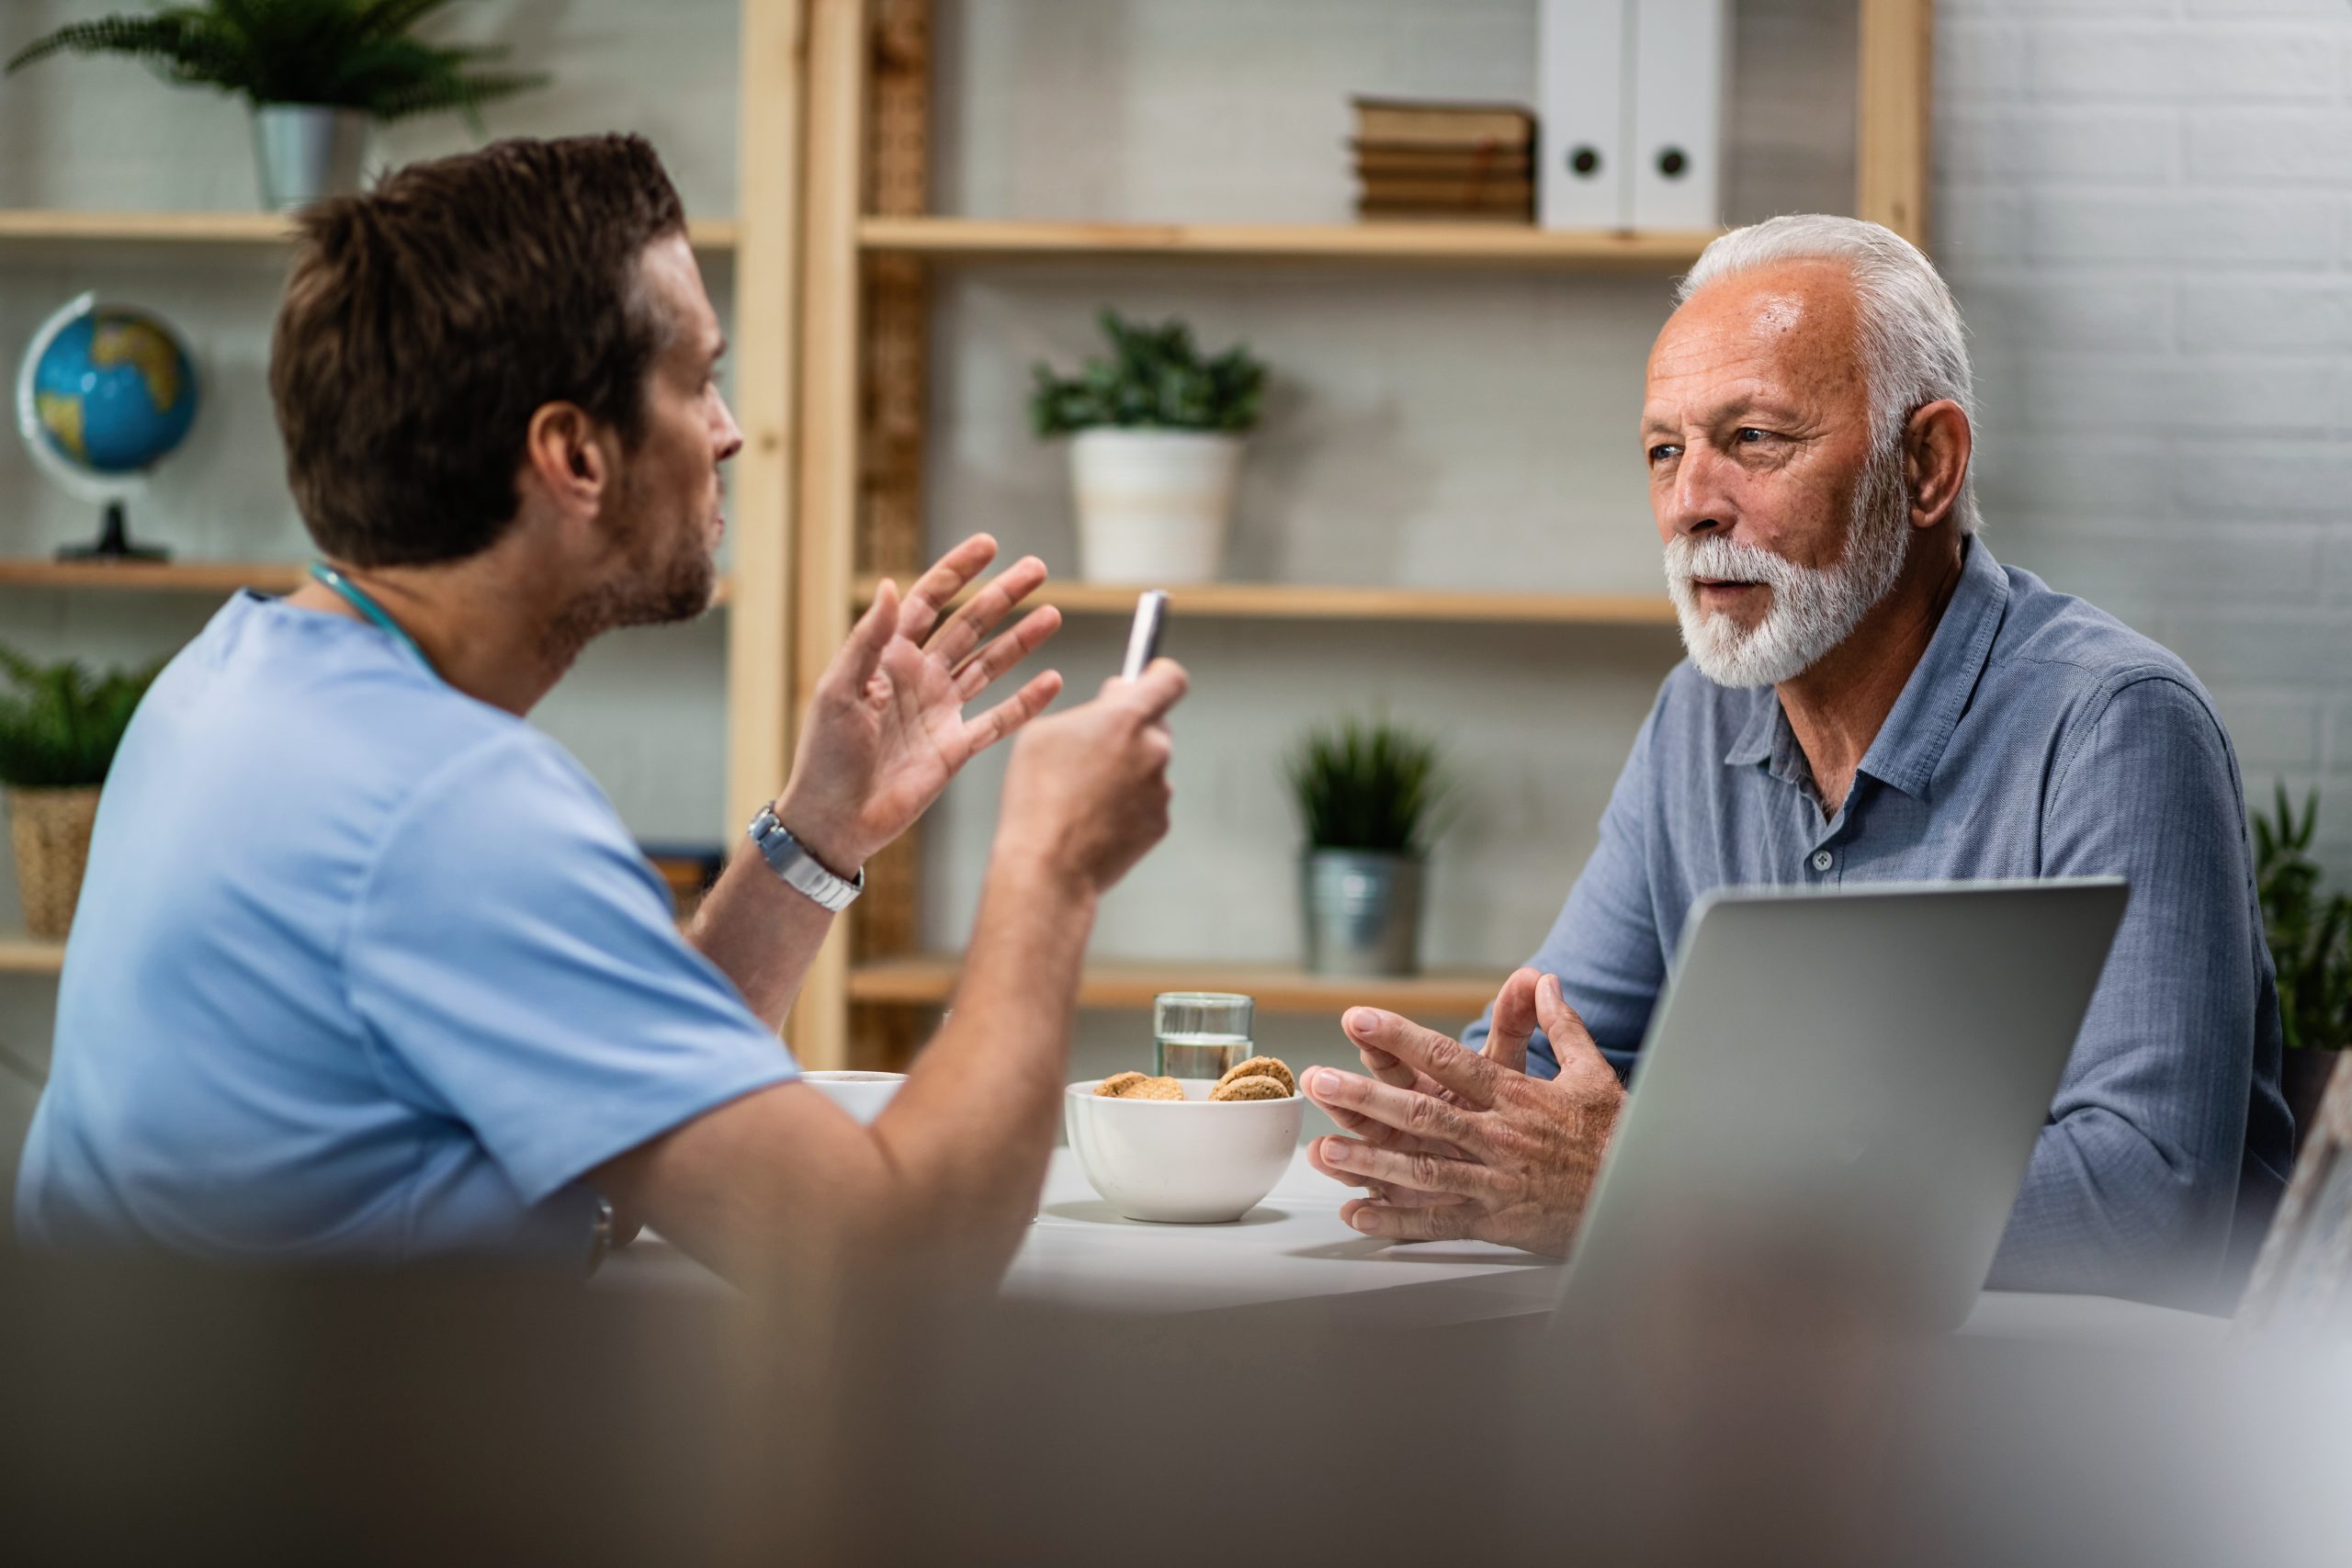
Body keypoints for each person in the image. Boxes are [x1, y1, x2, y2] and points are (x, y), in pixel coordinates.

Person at [13, 135, 1187, 1291]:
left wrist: (817, 833)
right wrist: (1049, 865)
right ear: (574, 455)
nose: (729, 432)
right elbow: (884, 1272)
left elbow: (613, 1097)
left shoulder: (233, 677)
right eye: (698, 379)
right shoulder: (449, 812)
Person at [1303, 214, 2291, 1308]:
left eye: (1756, 440)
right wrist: (1439, 1119)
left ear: (1926, 466)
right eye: (1665, 451)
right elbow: (1549, 1066)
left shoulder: (2116, 725)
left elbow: (2151, 1202)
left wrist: (1662, 1191)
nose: (1691, 505)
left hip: (2068, 1427)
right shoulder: (1696, 717)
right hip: (1777, 1401)